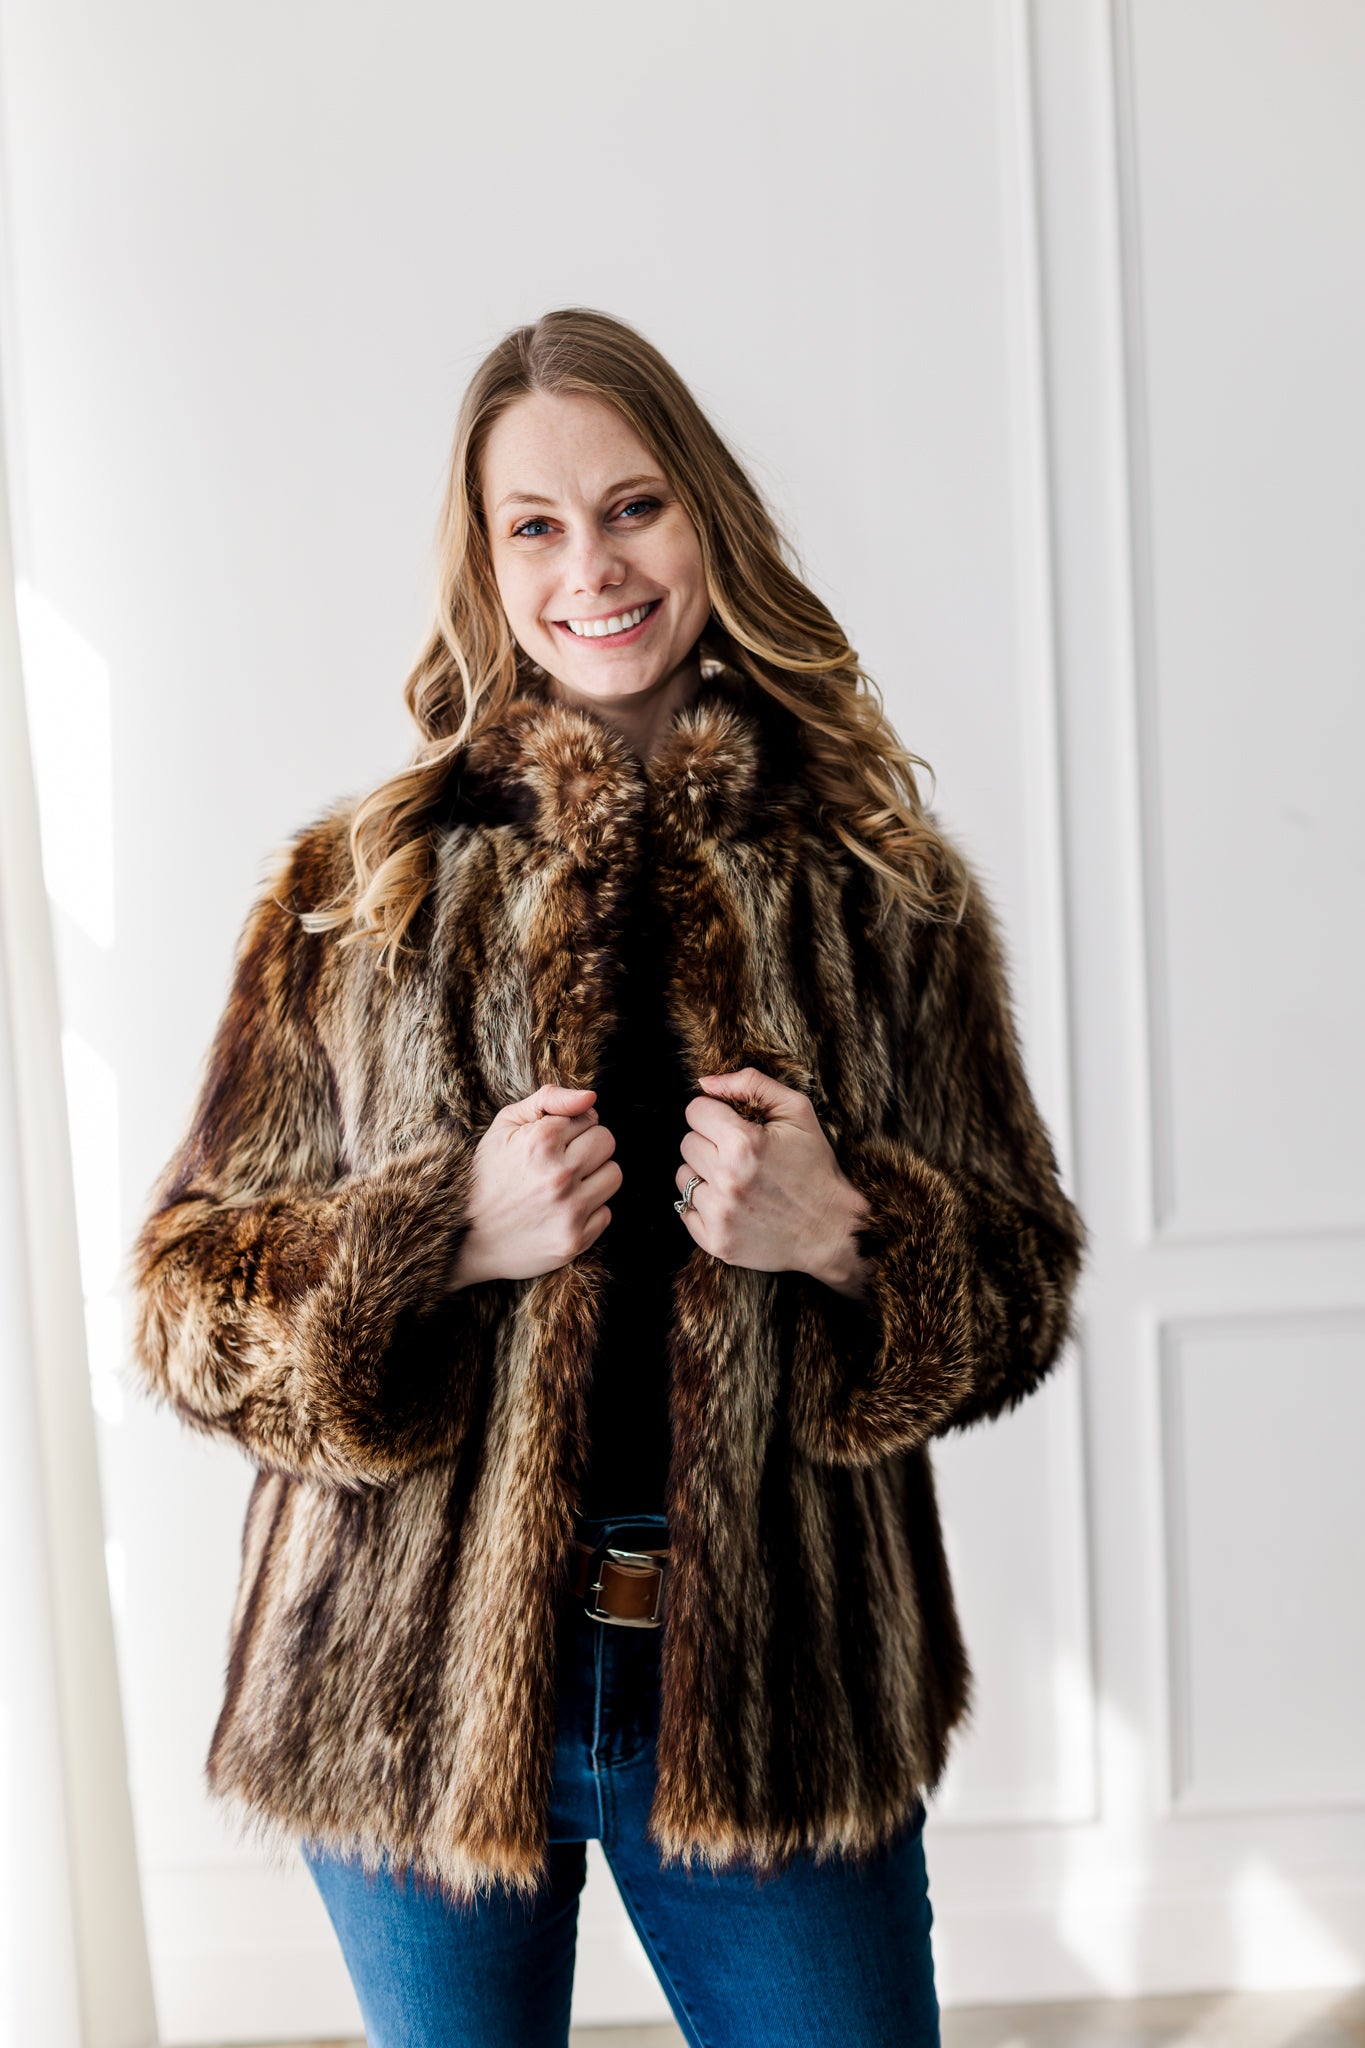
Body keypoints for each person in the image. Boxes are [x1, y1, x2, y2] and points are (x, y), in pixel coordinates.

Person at [127, 306, 1089, 2047]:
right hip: (405, 1691)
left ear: (706, 517)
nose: (593, 566)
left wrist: (852, 1235)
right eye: (537, 525)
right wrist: (435, 1240)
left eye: (634, 505)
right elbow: (188, 1298)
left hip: (773, 1684)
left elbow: (1022, 1279)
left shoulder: (882, 888)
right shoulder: (361, 887)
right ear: (486, 565)